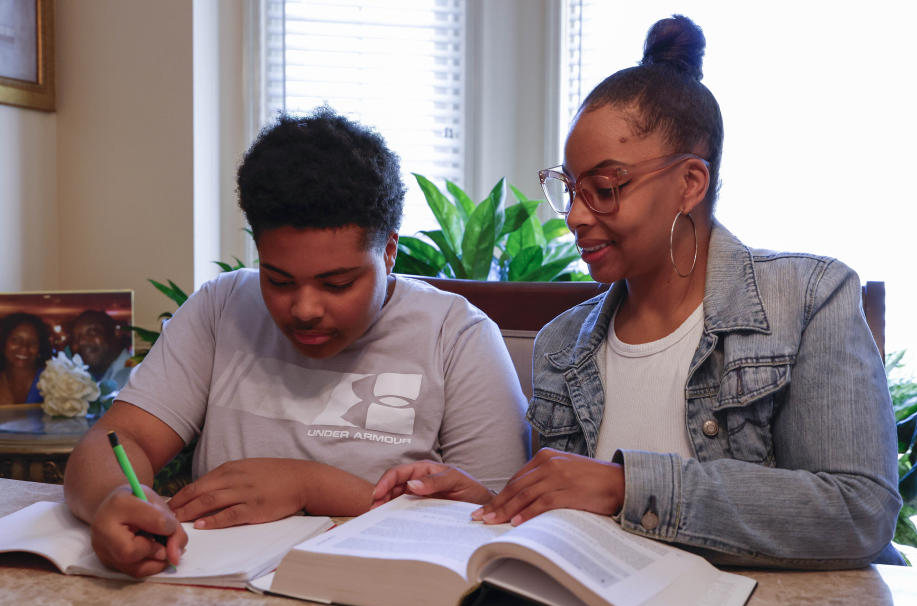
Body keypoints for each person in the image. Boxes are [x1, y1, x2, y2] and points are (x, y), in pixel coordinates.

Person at [372, 15, 902, 569]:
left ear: (689, 183)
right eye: (572, 190)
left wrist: (629, 486)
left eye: (604, 189)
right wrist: (491, 506)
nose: (576, 216)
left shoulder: (808, 298)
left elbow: (857, 511)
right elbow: (574, 514)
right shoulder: (562, 345)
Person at [63, 107, 531, 577]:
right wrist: (116, 498)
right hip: (215, 594)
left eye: (337, 284)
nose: (304, 308)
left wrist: (311, 486)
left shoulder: (458, 336)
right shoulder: (221, 307)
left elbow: (494, 519)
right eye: (279, 280)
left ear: (389, 251)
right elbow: (123, 440)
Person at [69, 309, 133, 390]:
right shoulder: (80, 378)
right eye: (76, 337)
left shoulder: (136, 375)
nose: (82, 342)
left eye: (92, 332)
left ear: (116, 333)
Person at [0, 312, 53, 405]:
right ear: (3, 343)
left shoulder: (53, 381)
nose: (24, 347)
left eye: (32, 342)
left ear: (40, 348)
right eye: (16, 340)